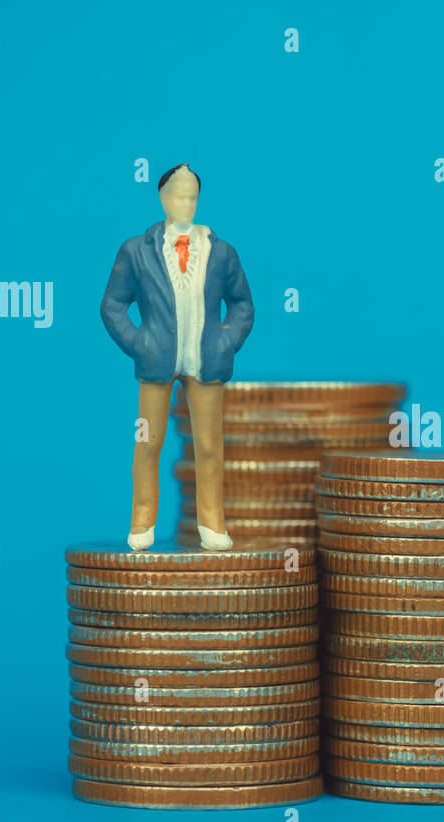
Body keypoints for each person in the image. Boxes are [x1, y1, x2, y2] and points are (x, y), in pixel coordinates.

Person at [99, 164, 254, 550]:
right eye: (178, 196)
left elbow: (242, 305)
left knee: (208, 445)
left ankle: (212, 523)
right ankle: (141, 520)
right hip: (156, 363)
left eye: (192, 197)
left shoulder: (220, 252)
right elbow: (112, 305)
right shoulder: (136, 251)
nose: (185, 204)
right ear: (162, 198)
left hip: (206, 362)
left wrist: (226, 341)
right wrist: (139, 343)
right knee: (148, 441)